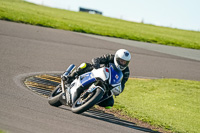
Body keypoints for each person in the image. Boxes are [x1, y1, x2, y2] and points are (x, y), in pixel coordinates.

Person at [64, 49, 131, 108]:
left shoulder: (126, 72)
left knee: (109, 103)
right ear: (116, 58)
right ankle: (70, 77)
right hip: (97, 74)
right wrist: (96, 65)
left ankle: (90, 102)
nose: (122, 63)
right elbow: (96, 59)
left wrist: (118, 90)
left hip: (107, 85)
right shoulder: (110, 57)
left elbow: (122, 84)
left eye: (125, 62)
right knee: (85, 65)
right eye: (121, 61)